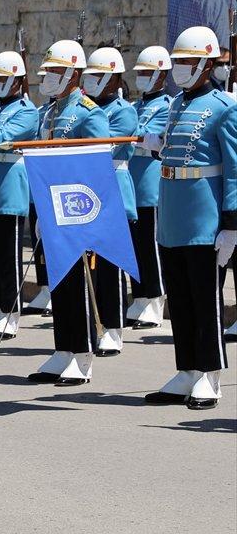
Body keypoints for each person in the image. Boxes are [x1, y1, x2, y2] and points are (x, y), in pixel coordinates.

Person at [144, 26, 236, 409]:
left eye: (186, 61)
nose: (180, 67)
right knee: (179, 299)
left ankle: (209, 375)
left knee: (204, 298)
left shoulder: (224, 108)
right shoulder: (175, 104)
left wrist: (232, 223)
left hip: (204, 218)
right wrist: (156, 148)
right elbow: (175, 154)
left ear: (206, 64)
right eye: (177, 60)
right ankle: (186, 370)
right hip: (172, 217)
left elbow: (233, 168)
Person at [27, 39, 109, 386]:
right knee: (58, 282)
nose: (48, 78)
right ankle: (64, 348)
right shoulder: (48, 112)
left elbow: (97, 165)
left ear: (74, 74)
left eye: (56, 72)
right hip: (50, 207)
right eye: (47, 72)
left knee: (79, 283)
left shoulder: (90, 112)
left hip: (77, 208)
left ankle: (84, 352)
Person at [80, 46, 139, 357]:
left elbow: (108, 147)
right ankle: (94, 323)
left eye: (100, 76)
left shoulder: (123, 111)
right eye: (90, 76)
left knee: (111, 264)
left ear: (115, 79)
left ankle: (113, 329)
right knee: (91, 263)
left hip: (113, 186)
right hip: (88, 189)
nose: (93, 82)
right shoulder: (85, 108)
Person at [0, 50, 38, 341]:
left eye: (2, 79)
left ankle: (10, 311)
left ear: (16, 81)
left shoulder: (26, 111)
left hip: (9, 188)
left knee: (7, 255)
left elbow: (2, 140)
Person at [127, 45, 172, 328]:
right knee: (133, 247)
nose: (142, 76)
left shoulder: (167, 105)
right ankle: (139, 296)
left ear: (161, 74)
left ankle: (154, 300)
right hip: (132, 183)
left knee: (149, 246)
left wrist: (132, 135)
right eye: (140, 72)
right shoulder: (134, 106)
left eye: (147, 72)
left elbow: (154, 139)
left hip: (149, 185)